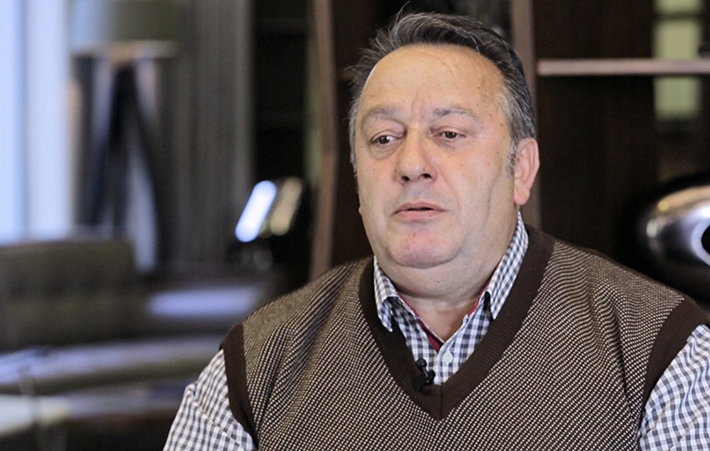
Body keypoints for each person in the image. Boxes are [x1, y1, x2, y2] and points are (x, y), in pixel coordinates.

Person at [164, 12, 709, 450]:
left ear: (521, 169)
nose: (411, 164)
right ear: (357, 179)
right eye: (383, 139)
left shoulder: (660, 352)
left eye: (449, 133)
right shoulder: (259, 363)